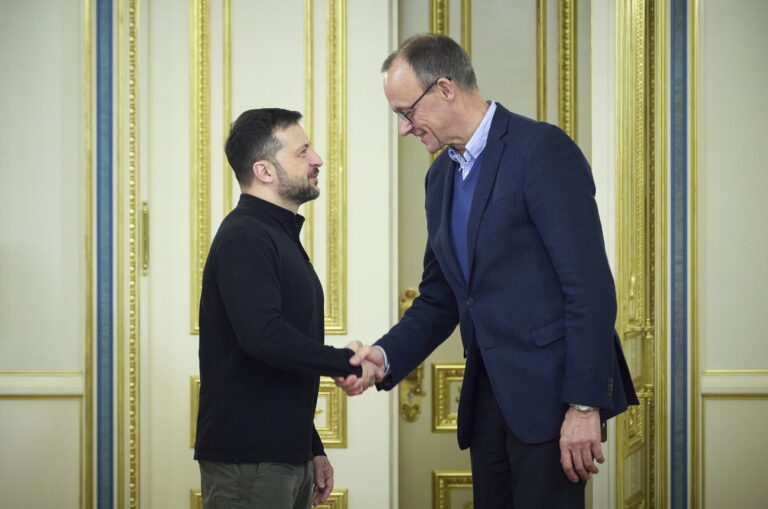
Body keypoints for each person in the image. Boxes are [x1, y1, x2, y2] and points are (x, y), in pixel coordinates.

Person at [337, 34, 638, 508]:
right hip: (487, 402)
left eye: (405, 112)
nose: (403, 129)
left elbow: (590, 289)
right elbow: (441, 299)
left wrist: (583, 404)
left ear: (445, 89)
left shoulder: (540, 150)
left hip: (554, 400)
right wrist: (383, 356)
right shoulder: (439, 178)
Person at [194, 108, 381, 509]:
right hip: (250, 461)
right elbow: (264, 338)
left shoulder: (275, 235)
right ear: (264, 171)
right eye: (303, 152)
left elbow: (280, 361)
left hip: (281, 455)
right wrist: (347, 362)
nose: (318, 160)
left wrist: (310, 446)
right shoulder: (246, 237)